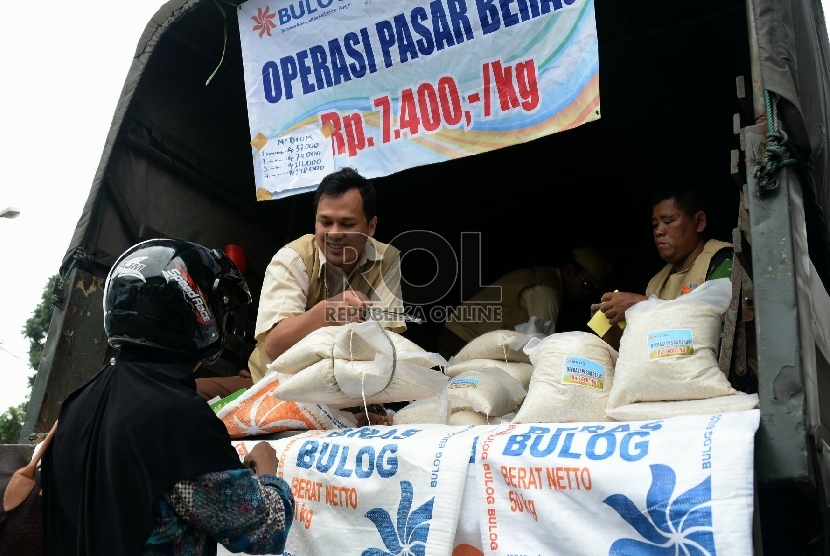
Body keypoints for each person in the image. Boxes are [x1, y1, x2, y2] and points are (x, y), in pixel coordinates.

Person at [42, 239, 294, 556]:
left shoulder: (79, 401)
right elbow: (263, 532)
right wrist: (269, 474)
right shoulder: (180, 419)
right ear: (195, 315)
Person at [591, 183, 732, 349]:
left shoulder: (722, 260)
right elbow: (641, 348)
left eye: (668, 221)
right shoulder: (656, 283)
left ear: (699, 222)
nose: (659, 231)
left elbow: (714, 321)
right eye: (655, 225)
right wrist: (611, 328)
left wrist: (640, 305)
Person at [437, 246, 613, 359]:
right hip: (463, 338)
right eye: (585, 283)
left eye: (590, 289)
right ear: (569, 270)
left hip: (461, 335)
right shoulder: (546, 289)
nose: (585, 292)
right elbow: (540, 341)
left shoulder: (542, 278)